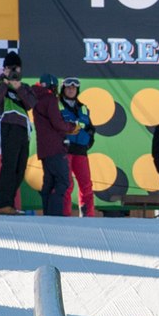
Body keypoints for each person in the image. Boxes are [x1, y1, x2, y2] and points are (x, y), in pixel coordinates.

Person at [0, 51, 37, 215]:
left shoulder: (25, 87)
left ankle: (9, 204)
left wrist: (18, 87)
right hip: (6, 126)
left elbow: (31, 104)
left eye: (17, 68)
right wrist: (5, 83)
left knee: (20, 169)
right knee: (9, 165)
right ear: (4, 68)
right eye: (10, 68)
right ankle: (2, 204)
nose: (14, 71)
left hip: (23, 129)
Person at [31, 74, 79, 217]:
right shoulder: (50, 99)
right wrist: (71, 127)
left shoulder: (35, 99)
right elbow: (57, 123)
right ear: (54, 86)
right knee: (63, 181)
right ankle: (55, 215)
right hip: (56, 147)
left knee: (49, 182)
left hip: (44, 149)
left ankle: (47, 213)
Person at [59, 78, 97, 217]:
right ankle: (66, 215)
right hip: (66, 150)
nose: (71, 90)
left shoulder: (84, 108)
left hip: (81, 151)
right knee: (67, 184)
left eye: (74, 88)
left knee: (86, 184)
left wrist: (88, 142)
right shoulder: (58, 106)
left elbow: (91, 128)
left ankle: (88, 215)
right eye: (68, 88)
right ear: (63, 89)